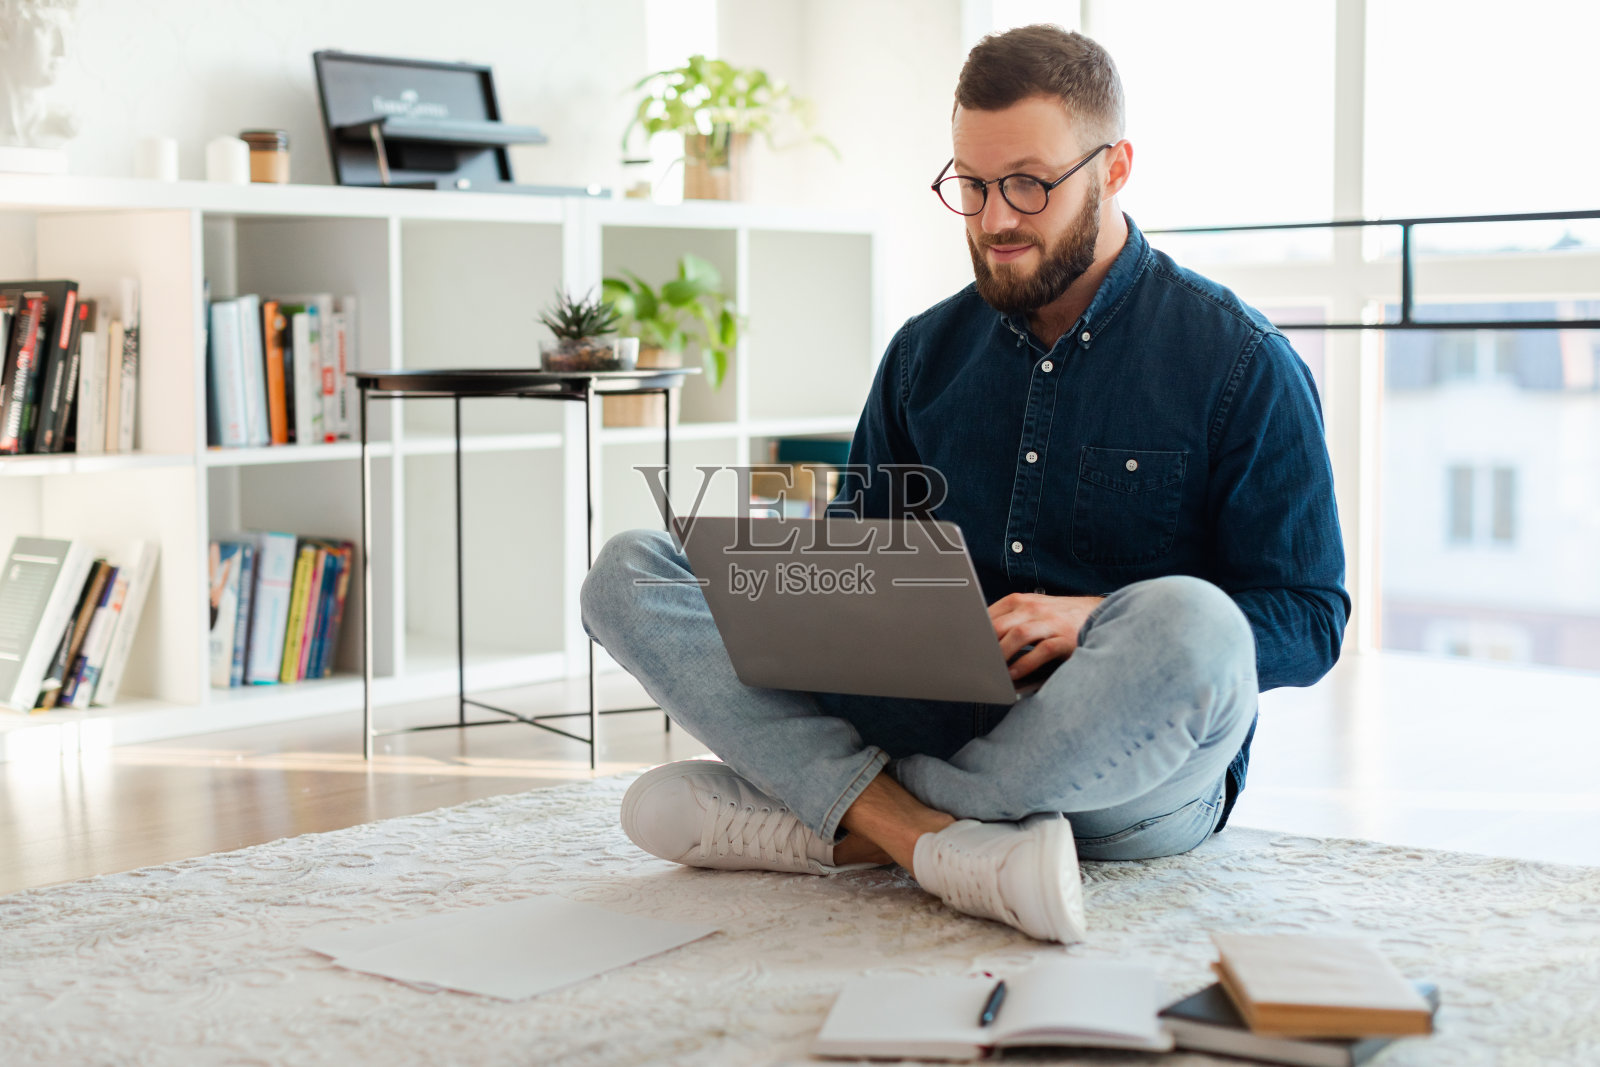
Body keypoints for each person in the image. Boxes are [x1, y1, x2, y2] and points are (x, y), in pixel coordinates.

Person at [581, 25, 1348, 944]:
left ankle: (852, 815)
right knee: (629, 570)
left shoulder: (1242, 360)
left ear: (1115, 168)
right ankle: (925, 836)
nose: (993, 220)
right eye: (971, 185)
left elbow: (1311, 619)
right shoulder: (921, 355)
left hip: (1122, 773)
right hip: (933, 718)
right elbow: (851, 572)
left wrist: (1096, 618)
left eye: (1028, 183)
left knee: (1195, 624)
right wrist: (792, 582)